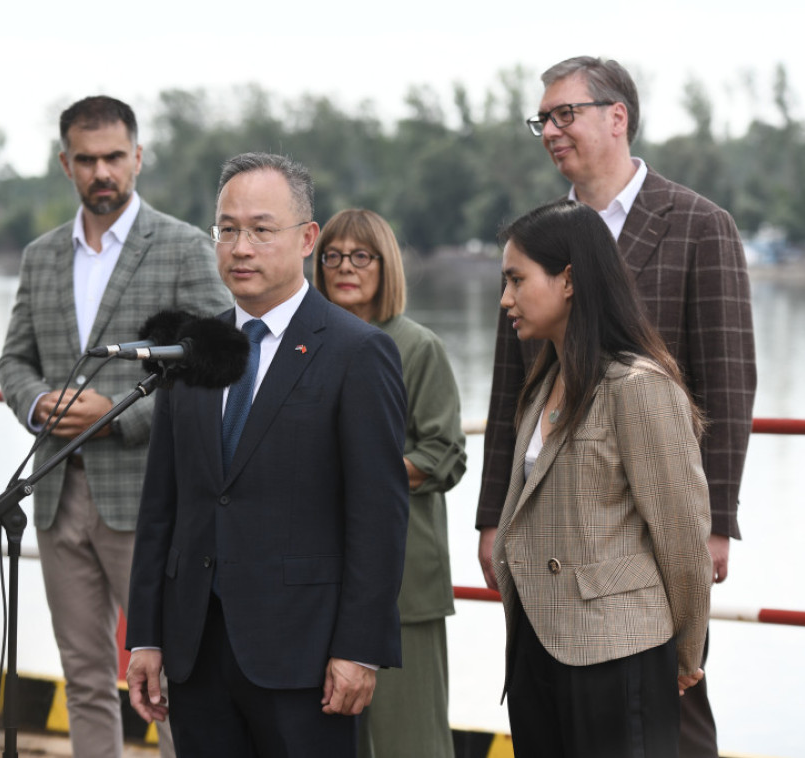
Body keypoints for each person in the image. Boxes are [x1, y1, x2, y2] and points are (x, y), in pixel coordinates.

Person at [477, 56, 756, 756]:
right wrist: (493, 516)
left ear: (617, 116)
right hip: (558, 527)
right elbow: (510, 389)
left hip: (656, 512)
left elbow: (727, 379)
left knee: (675, 703)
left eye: (563, 113)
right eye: (541, 118)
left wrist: (715, 521)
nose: (549, 130)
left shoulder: (698, 224)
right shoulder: (537, 243)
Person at [124, 153, 409, 758]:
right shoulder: (191, 350)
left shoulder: (358, 352)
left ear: (307, 239)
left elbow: (378, 515)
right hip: (196, 647)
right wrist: (145, 636)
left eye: (260, 228)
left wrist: (359, 648)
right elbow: (162, 506)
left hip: (305, 653)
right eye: (227, 229)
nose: (240, 247)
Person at [0, 95, 232, 758]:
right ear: (65, 163)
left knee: (172, 677)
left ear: (138, 158)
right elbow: (15, 358)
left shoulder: (186, 248)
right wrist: (36, 402)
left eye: (114, 157)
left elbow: (220, 366)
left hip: (150, 500)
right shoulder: (41, 256)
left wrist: (122, 415)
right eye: (88, 159)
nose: (103, 171)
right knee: (84, 678)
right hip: (55, 497)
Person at [493, 199, 712, 757]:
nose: (505, 299)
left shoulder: (638, 386)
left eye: (517, 280)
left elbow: (683, 534)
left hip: (618, 655)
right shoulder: (543, 385)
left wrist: (686, 652)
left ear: (568, 279)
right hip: (536, 649)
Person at [312, 209, 466, 758]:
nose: (345, 268)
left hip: (405, 585)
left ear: (386, 265)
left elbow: (444, 454)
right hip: (317, 577)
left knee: (411, 743)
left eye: (361, 256)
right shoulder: (305, 347)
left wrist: (364, 472)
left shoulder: (417, 346)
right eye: (332, 256)